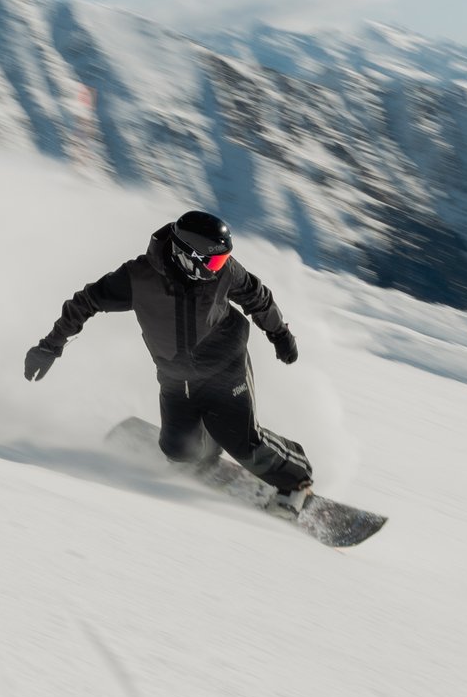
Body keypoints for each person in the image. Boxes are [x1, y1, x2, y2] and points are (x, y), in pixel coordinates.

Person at [23, 210, 315, 514]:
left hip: (226, 366)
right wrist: (49, 347)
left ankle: (296, 480)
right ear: (186, 256)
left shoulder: (225, 272)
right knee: (178, 450)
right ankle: (207, 451)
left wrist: (279, 333)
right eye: (213, 261)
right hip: (177, 376)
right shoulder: (138, 278)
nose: (220, 267)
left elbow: (258, 298)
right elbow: (85, 302)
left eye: (222, 260)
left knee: (243, 443)